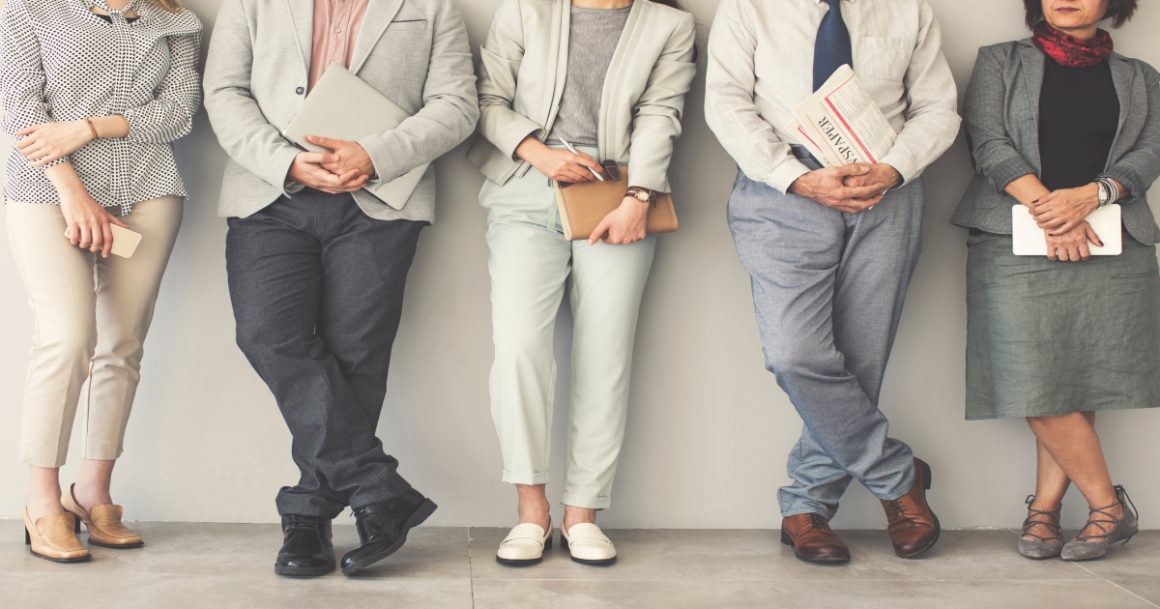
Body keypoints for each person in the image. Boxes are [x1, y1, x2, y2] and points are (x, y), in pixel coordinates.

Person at [203, 0, 478, 577]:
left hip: (380, 199)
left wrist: (376, 154)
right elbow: (225, 92)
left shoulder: (432, 6)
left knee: (355, 356)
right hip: (270, 196)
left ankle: (309, 515)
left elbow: (457, 105)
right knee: (265, 334)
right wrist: (285, 161)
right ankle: (378, 490)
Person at [705, 0, 960, 564]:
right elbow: (725, 102)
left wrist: (894, 169)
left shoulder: (908, 9)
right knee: (795, 354)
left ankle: (806, 506)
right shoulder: (747, 7)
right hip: (781, 189)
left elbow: (938, 108)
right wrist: (796, 177)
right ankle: (897, 476)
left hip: (886, 187)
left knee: (861, 360)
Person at [468, 0, 695, 566]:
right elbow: (487, 100)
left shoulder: (670, 25)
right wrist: (541, 156)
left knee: (605, 353)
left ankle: (583, 514)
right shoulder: (525, 10)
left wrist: (639, 197)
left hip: (619, 194)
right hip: (526, 188)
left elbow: (660, 115)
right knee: (518, 346)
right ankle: (531, 511)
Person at [952, 0, 1157, 561]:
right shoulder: (998, 61)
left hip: (1114, 242)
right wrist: (1054, 212)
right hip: (1011, 237)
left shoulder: (1140, 76)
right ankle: (1109, 508)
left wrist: (1094, 195)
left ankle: (1043, 512)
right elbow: (988, 144)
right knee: (1030, 375)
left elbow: (1151, 151)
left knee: (1077, 379)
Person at [0, 0, 201, 563]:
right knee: (67, 338)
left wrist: (89, 126)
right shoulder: (27, 9)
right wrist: (74, 193)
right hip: (48, 194)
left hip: (149, 190)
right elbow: (20, 108)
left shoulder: (177, 20)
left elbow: (179, 113)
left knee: (123, 344)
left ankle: (92, 493)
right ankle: (42, 502)